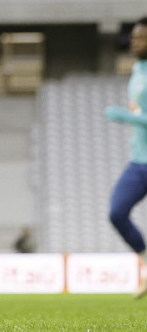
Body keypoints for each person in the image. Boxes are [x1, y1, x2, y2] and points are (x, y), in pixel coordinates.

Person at [104, 17, 147, 299]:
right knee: (117, 212)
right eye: (133, 37)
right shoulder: (138, 70)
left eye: (140, 38)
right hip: (139, 161)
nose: (134, 42)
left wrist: (127, 117)